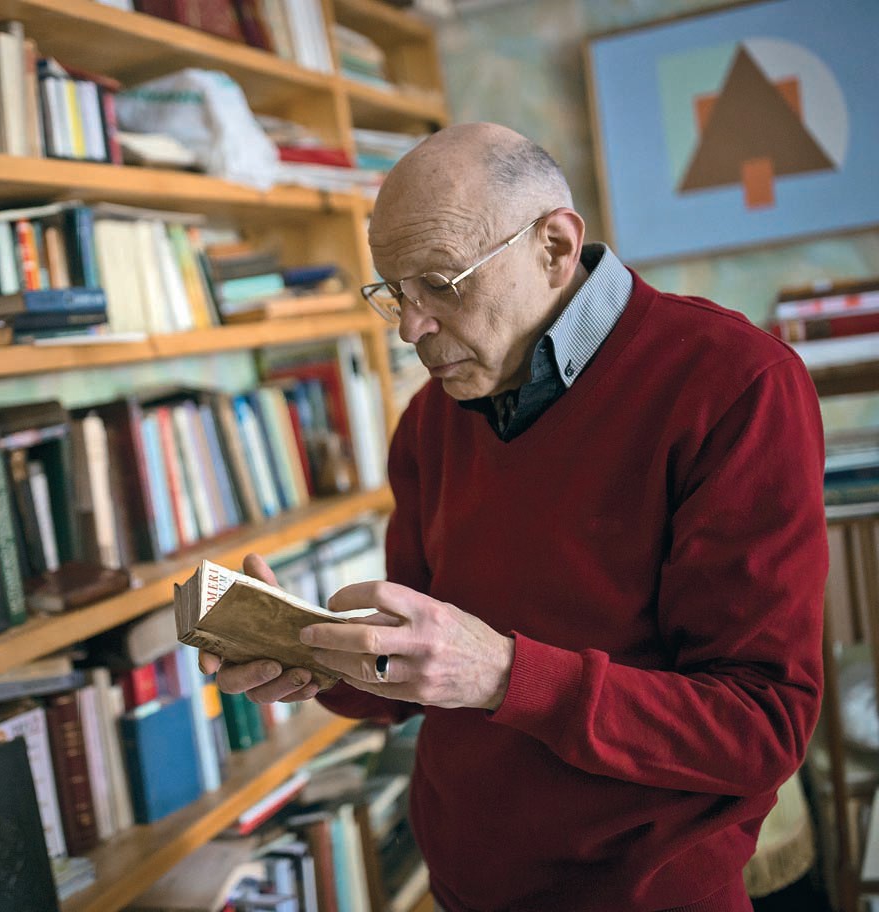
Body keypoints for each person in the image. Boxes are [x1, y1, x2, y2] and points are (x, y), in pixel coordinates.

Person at [202, 123, 827, 911]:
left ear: (554, 248)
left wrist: (503, 674)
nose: (411, 328)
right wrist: (317, 655)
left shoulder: (735, 386)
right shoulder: (430, 420)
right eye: (395, 292)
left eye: (441, 283)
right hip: (462, 886)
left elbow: (760, 726)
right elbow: (420, 672)